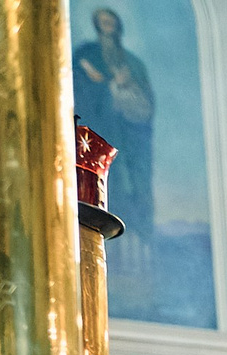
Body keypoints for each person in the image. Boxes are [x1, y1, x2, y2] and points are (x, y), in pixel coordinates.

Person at [73, 9, 154, 244]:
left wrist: (124, 87)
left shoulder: (133, 63)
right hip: (100, 131)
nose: (107, 27)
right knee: (110, 183)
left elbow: (146, 105)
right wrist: (107, 85)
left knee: (135, 179)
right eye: (103, 23)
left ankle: (141, 235)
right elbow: (79, 91)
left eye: (111, 23)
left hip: (130, 137)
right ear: (97, 27)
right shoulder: (86, 55)